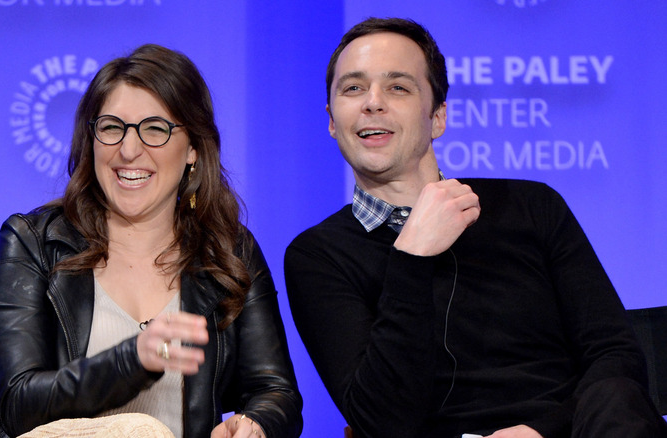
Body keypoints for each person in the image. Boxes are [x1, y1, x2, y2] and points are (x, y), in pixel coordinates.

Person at [284, 17, 667, 438]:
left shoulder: (531, 206)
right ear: (333, 121)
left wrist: (538, 431)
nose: (372, 103)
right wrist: (410, 256)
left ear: (438, 118)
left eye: (399, 87)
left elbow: (616, 356)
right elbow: (381, 422)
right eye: (353, 88)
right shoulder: (318, 255)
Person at [0, 44, 302, 438]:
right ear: (91, 141)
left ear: (192, 148)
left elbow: (275, 392)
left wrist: (255, 424)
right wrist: (133, 359)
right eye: (111, 127)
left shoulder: (229, 250)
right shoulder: (34, 243)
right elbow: (19, 406)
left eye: (155, 129)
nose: (129, 149)